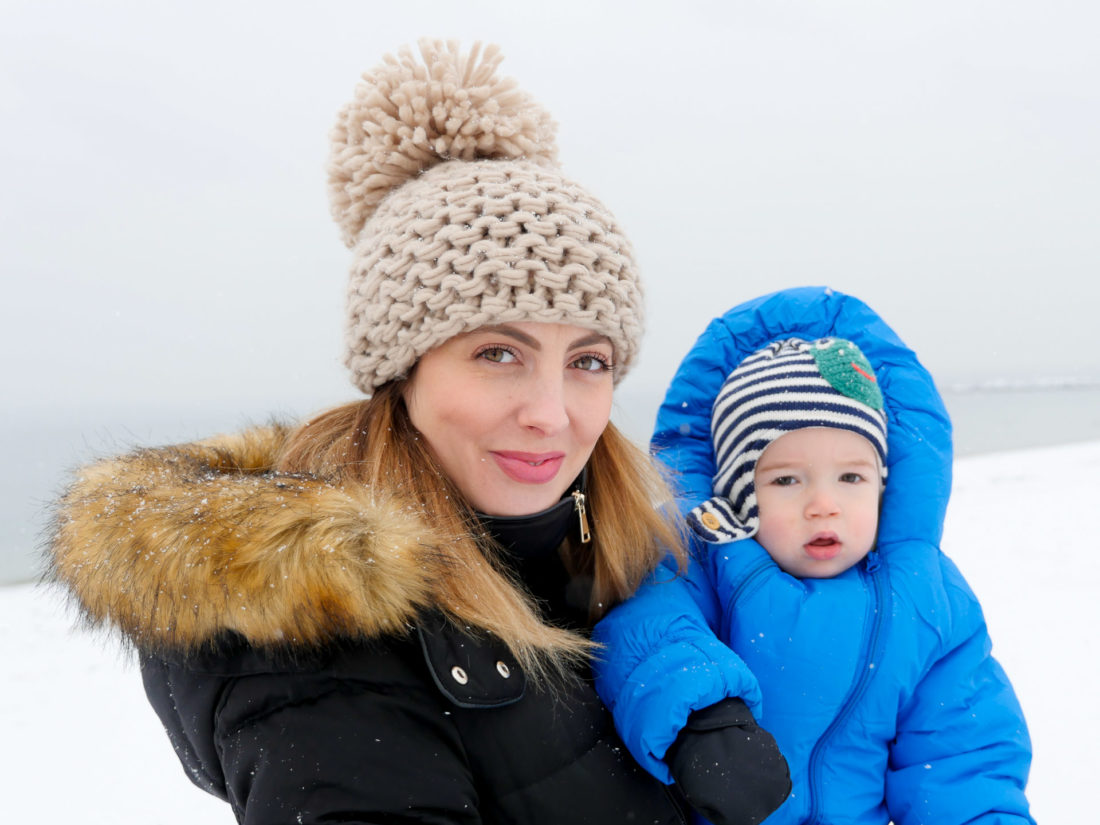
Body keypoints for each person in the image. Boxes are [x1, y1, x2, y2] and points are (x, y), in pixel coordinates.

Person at [44, 41, 794, 825]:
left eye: (588, 359)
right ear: (402, 374)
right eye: (498, 352)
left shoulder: (615, 556)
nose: (551, 410)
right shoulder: (318, 638)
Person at [593, 287, 1035, 825]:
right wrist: (701, 716)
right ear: (737, 491)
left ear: (882, 486)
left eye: (851, 477)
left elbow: (961, 759)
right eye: (786, 479)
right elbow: (646, 635)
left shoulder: (925, 596)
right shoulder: (697, 557)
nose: (824, 505)